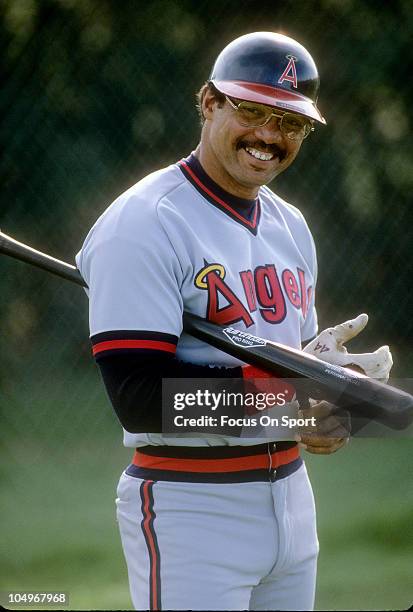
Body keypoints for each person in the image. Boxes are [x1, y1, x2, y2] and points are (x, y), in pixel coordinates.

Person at [76, 32, 392, 611]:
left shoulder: (291, 224)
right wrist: (288, 400)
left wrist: (330, 395)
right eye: (250, 110)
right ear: (208, 103)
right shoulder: (144, 223)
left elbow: (286, 363)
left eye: (290, 123)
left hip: (293, 498)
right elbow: (139, 396)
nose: (269, 136)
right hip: (192, 501)